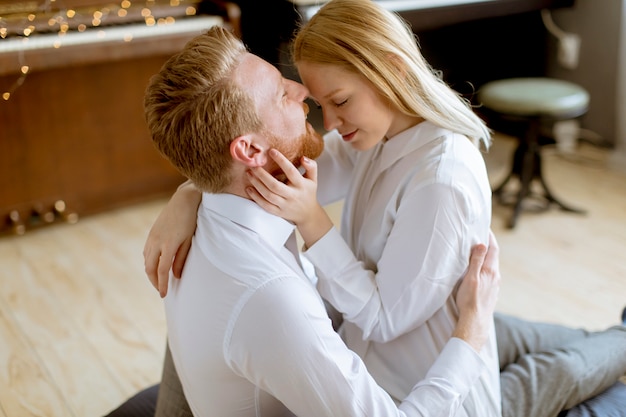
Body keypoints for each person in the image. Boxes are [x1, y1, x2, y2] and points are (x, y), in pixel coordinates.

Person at [138, 1, 626, 417]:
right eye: (291, 90)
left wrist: (204, 194)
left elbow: (384, 315)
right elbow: (261, 175)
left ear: (390, 71)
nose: (312, 105)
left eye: (339, 99)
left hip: (414, 346)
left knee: (538, 346)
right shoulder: (369, 138)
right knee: (545, 360)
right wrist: (194, 191)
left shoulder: (431, 172)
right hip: (405, 376)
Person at [131, 24, 501, 417]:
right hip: (394, 374)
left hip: (380, 336)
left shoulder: (226, 204)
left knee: (524, 336)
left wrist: (190, 192)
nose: (301, 92)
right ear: (251, 149)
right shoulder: (272, 299)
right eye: (281, 93)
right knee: (564, 357)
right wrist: (469, 338)